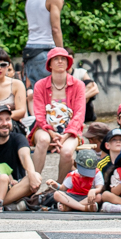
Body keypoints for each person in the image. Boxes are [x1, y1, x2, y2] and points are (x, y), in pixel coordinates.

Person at [30, 47, 85, 180]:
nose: (60, 62)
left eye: (63, 59)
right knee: (43, 140)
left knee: (66, 152)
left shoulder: (78, 85)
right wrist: (52, 133)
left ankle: (59, 187)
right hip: (45, 128)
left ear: (68, 63)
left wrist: (65, 135)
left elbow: (79, 114)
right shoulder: (40, 85)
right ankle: (32, 183)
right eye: (56, 59)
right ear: (49, 64)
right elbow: (39, 114)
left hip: (70, 130)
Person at [24, 0, 65, 93]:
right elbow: (55, 29)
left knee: (39, 95)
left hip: (30, 52)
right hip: (45, 51)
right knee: (54, 95)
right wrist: (62, 54)